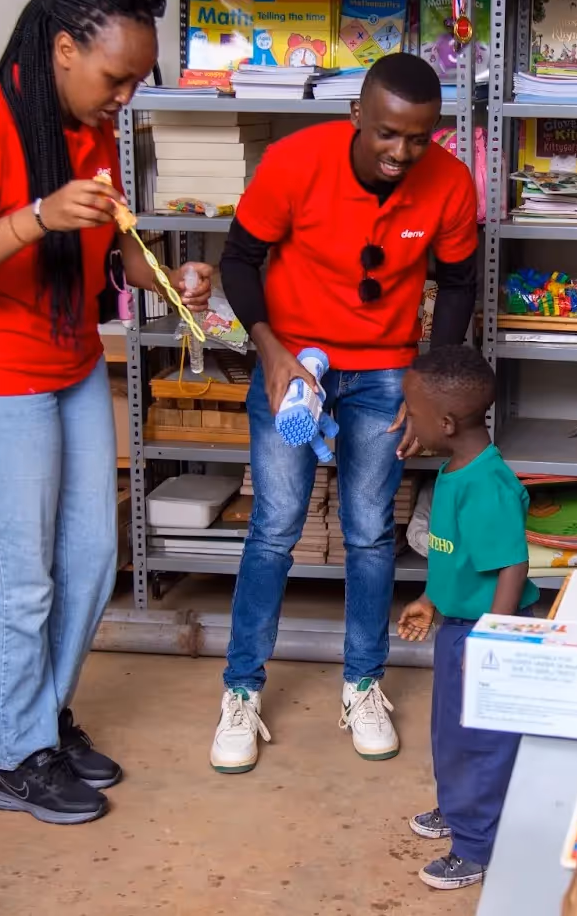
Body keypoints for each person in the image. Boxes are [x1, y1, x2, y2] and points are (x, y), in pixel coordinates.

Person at [0, 0, 213, 825]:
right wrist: (36, 217)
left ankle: (42, 720)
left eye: (135, 84)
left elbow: (107, 247)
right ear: (63, 50)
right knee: (21, 579)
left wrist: (158, 271)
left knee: (88, 558)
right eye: (114, 79)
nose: (123, 99)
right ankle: (17, 758)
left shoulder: (88, 128)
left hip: (68, 357)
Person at [211, 53, 480, 772]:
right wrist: (269, 352)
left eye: (419, 139)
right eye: (388, 134)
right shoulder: (295, 162)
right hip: (294, 363)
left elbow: (457, 284)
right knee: (275, 526)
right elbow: (238, 260)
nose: (402, 153)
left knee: (367, 530)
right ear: (356, 115)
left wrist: (428, 387)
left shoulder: (450, 184)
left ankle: (363, 684)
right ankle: (240, 690)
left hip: (387, 369)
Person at [395, 346, 537, 891]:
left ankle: (475, 845)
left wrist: (493, 639)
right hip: (461, 627)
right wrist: (431, 600)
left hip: (489, 633)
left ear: (447, 423)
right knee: (450, 732)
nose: (408, 419)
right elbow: (455, 554)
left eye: (413, 411)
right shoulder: (458, 471)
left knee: (480, 740)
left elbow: (511, 564)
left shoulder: (486, 485)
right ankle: (458, 810)